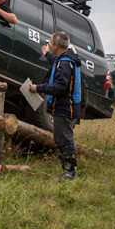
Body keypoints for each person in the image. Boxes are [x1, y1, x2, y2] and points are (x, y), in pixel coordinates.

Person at [29, 32, 81, 180]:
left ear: (57, 45)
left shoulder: (65, 63)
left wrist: (38, 88)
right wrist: (47, 54)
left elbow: (59, 87)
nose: (49, 45)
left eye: (50, 44)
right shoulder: (65, 59)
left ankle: (70, 173)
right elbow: (56, 62)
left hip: (65, 108)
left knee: (65, 140)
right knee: (60, 139)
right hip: (65, 107)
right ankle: (67, 172)